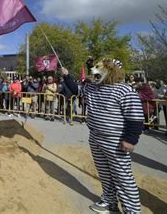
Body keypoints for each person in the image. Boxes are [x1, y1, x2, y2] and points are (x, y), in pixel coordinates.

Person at [62, 58, 144, 214]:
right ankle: (109, 201)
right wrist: (66, 76)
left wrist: (130, 139)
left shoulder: (125, 90)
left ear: (111, 72)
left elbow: (135, 117)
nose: (94, 72)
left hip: (116, 142)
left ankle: (132, 210)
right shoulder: (92, 87)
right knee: (105, 173)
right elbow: (76, 90)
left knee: (122, 177)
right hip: (95, 137)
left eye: (99, 69)